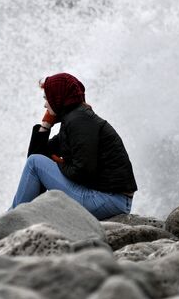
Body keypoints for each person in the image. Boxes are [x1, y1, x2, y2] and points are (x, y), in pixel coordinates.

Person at [10, 72, 138, 220]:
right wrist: (45, 125)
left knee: (34, 163)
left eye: (47, 98)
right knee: (35, 161)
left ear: (58, 97)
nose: (45, 104)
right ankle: (12, 217)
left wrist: (58, 163)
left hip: (110, 200)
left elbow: (82, 171)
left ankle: (14, 220)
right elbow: (39, 154)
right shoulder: (74, 119)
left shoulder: (80, 121)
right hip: (108, 198)